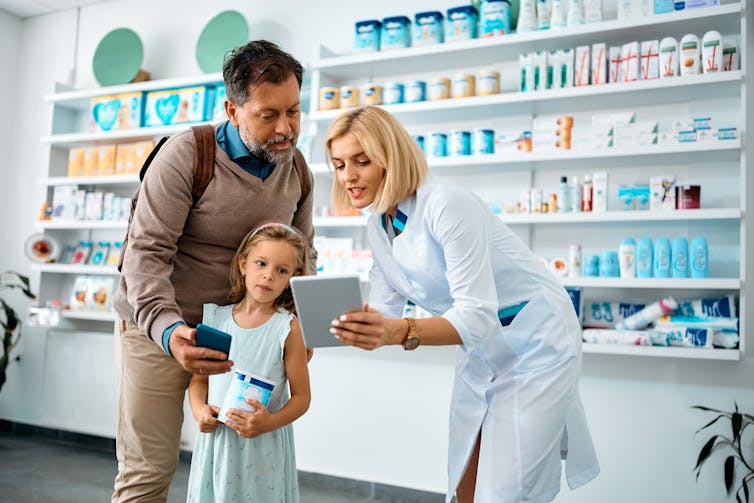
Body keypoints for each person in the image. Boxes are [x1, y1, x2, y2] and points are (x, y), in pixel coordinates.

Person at [325, 106, 599, 503]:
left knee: (507, 491)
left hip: (537, 343)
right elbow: (385, 315)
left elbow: (474, 312)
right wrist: (344, 324)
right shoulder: (378, 225)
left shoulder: (447, 204)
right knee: (464, 479)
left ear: (391, 158)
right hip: (481, 348)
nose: (347, 176)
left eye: (361, 161)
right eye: (338, 164)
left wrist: (398, 333)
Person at [112, 40, 316, 503]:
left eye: (295, 111)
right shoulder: (187, 155)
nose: (285, 128)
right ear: (232, 108)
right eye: (268, 115)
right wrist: (170, 333)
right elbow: (145, 256)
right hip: (158, 326)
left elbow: (304, 258)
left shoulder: (297, 169)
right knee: (147, 473)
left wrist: (303, 331)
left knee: (237, 470)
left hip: (240, 334)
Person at [186, 222, 311, 502]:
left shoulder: (288, 329)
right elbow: (198, 380)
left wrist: (268, 423)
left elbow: (302, 397)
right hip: (218, 444)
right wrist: (199, 411)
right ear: (243, 264)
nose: (268, 276)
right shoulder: (215, 319)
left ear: (293, 277)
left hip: (263, 446)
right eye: (261, 263)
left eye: (281, 270)